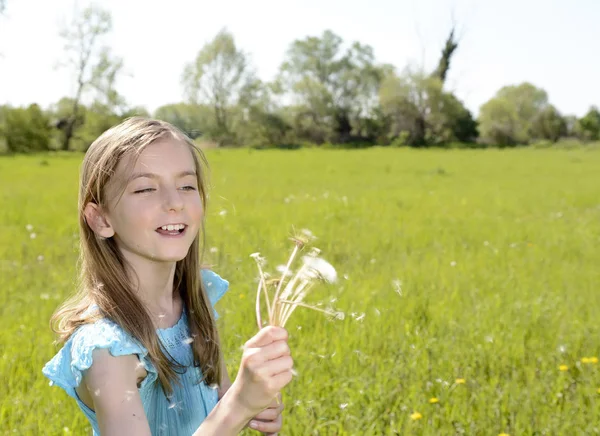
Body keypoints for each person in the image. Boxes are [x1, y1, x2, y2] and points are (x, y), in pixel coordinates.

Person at [42, 117, 294, 435]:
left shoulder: (195, 300)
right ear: (101, 218)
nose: (174, 202)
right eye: (146, 188)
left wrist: (255, 406)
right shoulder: (107, 351)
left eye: (186, 186)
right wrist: (240, 405)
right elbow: (229, 411)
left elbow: (219, 408)